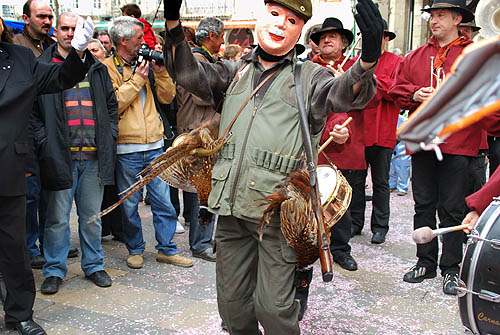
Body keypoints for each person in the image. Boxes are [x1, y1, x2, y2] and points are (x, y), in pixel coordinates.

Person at [163, 0, 383, 333]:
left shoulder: (310, 76)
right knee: (232, 308)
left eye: (292, 20)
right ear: (261, 18)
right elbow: (188, 74)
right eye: (275, 15)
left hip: (278, 215)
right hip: (233, 213)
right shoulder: (233, 70)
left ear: (299, 32)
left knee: (274, 308)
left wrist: (367, 60)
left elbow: (345, 95)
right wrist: (172, 24)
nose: (280, 24)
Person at [0, 12, 93, 335]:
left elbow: (59, 79)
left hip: (8, 171)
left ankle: (20, 315)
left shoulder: (20, 57)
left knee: (14, 249)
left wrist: (79, 50)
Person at [389, 0, 477, 295]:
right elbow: (396, 89)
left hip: (458, 141)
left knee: (452, 208)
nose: (434, 21)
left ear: (457, 19)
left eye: (441, 16)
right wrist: (415, 93)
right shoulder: (416, 56)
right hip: (425, 141)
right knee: (423, 204)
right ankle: (425, 262)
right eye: (432, 16)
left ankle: (451, 269)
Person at [30, 12, 118, 295]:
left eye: (75, 28)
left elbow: (111, 107)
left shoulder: (97, 68)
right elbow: (32, 113)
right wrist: (45, 142)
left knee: (92, 216)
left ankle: (93, 264)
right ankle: (54, 269)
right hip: (59, 157)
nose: (70, 33)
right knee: (56, 219)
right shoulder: (42, 65)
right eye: (65, 28)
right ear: (56, 31)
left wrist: (110, 134)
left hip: (93, 156)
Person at [103, 16, 192, 269]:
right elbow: (113, 103)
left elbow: (167, 98)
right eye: (139, 38)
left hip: (154, 145)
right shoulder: (107, 67)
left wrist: (161, 73)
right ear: (123, 40)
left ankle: (167, 249)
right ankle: (135, 249)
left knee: (163, 202)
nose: (144, 42)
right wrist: (138, 79)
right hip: (126, 148)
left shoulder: (146, 64)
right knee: (130, 204)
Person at [310, 17, 359, 271]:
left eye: (333, 36)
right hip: (310, 144)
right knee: (308, 200)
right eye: (322, 37)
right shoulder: (307, 69)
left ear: (344, 43)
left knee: (340, 202)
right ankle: (309, 245)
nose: (326, 40)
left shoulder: (355, 69)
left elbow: (348, 107)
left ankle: (340, 249)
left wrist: (339, 129)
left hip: (341, 148)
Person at [175, 17, 225, 263]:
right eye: (222, 35)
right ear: (212, 35)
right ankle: (201, 243)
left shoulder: (203, 59)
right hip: (198, 132)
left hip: (199, 131)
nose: (224, 40)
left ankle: (202, 237)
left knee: (200, 192)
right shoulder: (198, 60)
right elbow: (202, 97)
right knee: (202, 192)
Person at [13, 0, 55, 270]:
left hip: (51, 130)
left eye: (50, 16)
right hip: (26, 134)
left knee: (50, 194)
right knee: (29, 196)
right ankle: (29, 247)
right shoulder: (16, 47)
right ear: (26, 18)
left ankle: (47, 243)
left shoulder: (51, 45)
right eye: (41, 16)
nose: (47, 20)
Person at [358, 20, 403, 244]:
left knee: (381, 182)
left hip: (383, 132)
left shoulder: (396, 61)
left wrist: (369, 79)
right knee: (356, 181)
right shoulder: (360, 61)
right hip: (359, 131)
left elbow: (393, 89)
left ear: (386, 38)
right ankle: (356, 223)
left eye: (380, 37)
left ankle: (380, 227)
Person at [389, 114, 411, 196]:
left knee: (403, 170)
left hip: (402, 149)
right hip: (392, 147)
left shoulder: (404, 120)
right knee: (391, 168)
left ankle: (402, 187)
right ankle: (391, 185)